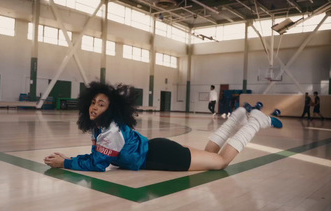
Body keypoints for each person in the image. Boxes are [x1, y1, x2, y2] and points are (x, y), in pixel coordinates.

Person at [44, 81, 282, 172]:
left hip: (161, 157)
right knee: (210, 156)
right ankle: (239, 114)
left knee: (219, 163)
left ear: (112, 108)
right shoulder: (102, 128)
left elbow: (98, 164)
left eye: (101, 104)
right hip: (157, 151)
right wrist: (68, 158)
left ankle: (256, 121)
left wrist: (65, 162)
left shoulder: (111, 130)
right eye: (93, 103)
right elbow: (99, 156)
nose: (94, 107)